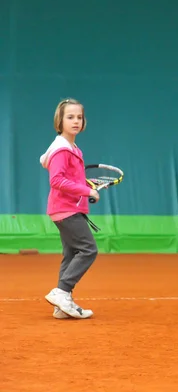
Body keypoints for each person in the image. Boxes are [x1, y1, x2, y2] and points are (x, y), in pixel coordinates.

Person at [39, 98, 100, 319]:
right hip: (66, 209)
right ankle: (62, 291)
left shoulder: (73, 148)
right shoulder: (62, 150)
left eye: (79, 117)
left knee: (71, 253)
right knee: (88, 249)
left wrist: (84, 187)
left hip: (67, 209)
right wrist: (87, 191)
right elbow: (56, 180)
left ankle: (61, 305)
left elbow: (69, 179)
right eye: (70, 117)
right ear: (60, 120)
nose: (76, 121)